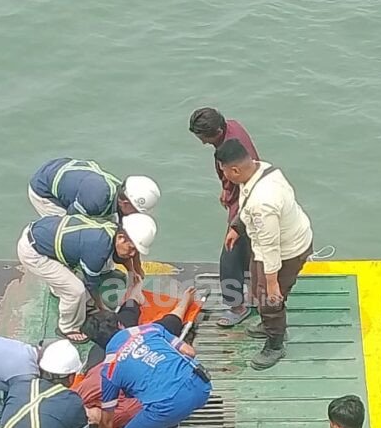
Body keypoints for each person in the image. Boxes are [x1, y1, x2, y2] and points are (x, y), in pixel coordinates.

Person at [97, 289, 211, 428]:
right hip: (201, 385)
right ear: (120, 324)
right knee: (170, 419)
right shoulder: (150, 329)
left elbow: (107, 420)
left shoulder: (109, 369)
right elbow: (189, 352)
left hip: (169, 403)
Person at [215, 138, 313, 370]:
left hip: (286, 251)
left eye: (224, 171)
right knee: (262, 291)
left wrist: (272, 283)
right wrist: (237, 227)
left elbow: (270, 247)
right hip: (281, 239)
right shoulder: (262, 170)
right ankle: (270, 323)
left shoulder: (263, 203)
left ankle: (275, 344)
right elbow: (246, 203)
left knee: (270, 298)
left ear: (235, 170)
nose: (224, 176)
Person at [16, 212, 157, 342]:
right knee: (76, 290)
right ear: (121, 238)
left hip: (44, 234)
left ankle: (65, 293)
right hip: (34, 252)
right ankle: (68, 327)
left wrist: (132, 272)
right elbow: (91, 284)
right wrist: (102, 307)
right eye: (131, 249)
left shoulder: (113, 230)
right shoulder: (97, 250)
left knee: (72, 283)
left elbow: (122, 256)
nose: (132, 254)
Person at [189, 107, 259, 327]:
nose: (203, 143)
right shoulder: (232, 126)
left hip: (245, 200)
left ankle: (237, 306)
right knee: (249, 248)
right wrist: (226, 188)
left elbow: (243, 180)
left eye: (205, 138)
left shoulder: (232, 144)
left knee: (230, 253)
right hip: (241, 192)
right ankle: (254, 289)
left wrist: (235, 221)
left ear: (218, 131)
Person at [28, 158, 160, 220]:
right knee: (72, 235)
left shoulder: (120, 190)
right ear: (125, 203)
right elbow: (71, 220)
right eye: (136, 211)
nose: (136, 215)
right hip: (43, 188)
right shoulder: (96, 199)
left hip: (64, 169)